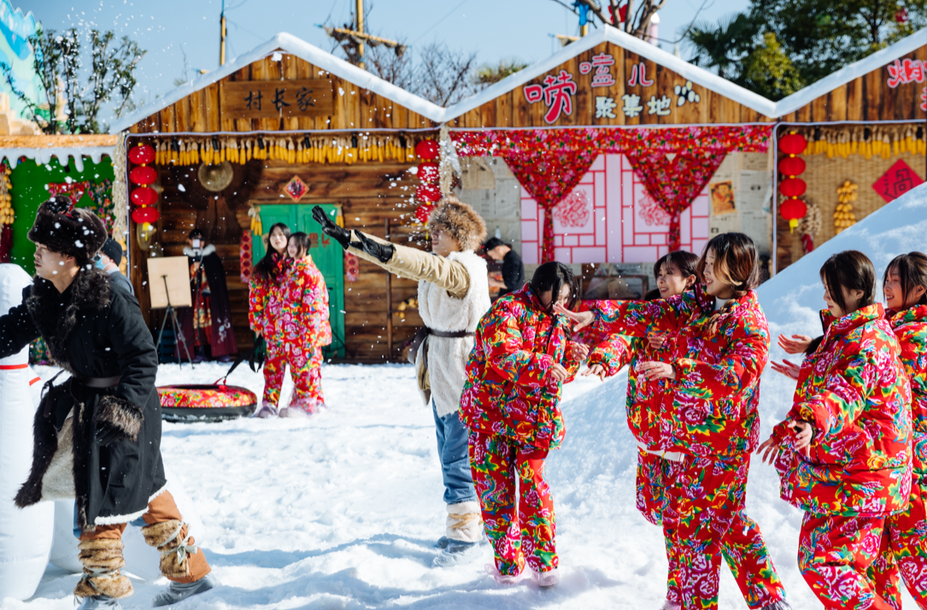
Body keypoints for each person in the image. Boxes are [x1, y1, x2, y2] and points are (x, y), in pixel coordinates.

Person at [0, 196, 216, 609]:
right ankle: (190, 574)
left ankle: (100, 593)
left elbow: (143, 357)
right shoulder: (48, 294)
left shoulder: (111, 294)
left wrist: (123, 414)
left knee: (102, 502)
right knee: (147, 491)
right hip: (91, 404)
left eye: (44, 247)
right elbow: (8, 331)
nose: (36, 253)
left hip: (126, 408)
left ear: (68, 255)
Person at [562, 233, 788, 610]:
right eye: (708, 260)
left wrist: (678, 371)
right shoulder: (698, 301)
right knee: (698, 525)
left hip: (721, 448)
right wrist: (599, 315)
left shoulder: (748, 322)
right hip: (682, 441)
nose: (708, 268)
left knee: (703, 531)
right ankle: (750, 600)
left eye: (717, 262)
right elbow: (650, 314)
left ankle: (743, 601)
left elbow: (735, 376)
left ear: (740, 270)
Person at [312, 198, 490, 567]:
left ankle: (466, 537)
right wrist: (353, 242)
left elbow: (414, 262)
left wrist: (355, 240)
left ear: (459, 236)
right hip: (442, 363)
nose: (434, 234)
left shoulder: (460, 269)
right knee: (450, 449)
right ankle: (472, 524)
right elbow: (414, 265)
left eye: (442, 229)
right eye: (433, 229)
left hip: (459, 367)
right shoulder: (446, 265)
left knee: (459, 454)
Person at [758, 250, 912, 610]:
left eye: (830, 289)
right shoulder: (850, 333)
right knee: (860, 571)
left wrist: (810, 421)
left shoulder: (867, 342)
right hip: (845, 470)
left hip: (861, 476)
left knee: (822, 562)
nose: (825, 297)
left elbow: (848, 392)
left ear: (856, 292)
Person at [460, 262, 590, 587]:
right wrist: (547, 363)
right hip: (491, 418)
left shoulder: (556, 319)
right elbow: (504, 356)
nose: (563, 302)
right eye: (558, 294)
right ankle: (508, 567)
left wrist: (570, 357)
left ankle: (544, 564)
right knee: (495, 494)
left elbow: (555, 374)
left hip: (533, 420)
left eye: (566, 296)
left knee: (534, 488)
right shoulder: (507, 309)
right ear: (542, 286)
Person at [869, 252, 927, 608]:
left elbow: (867, 378)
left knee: (915, 557)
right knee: (881, 557)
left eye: (895, 280)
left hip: (913, 465)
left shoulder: (913, 336)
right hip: (890, 462)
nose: (886, 286)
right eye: (886, 278)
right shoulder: (892, 330)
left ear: (919, 289)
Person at [265, 232, 331, 418]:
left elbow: (312, 307)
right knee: (302, 369)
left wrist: (307, 334)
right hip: (292, 334)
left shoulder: (309, 273)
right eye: (290, 245)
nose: (291, 248)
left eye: (295, 245)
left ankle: (308, 406)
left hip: (304, 334)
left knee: (306, 369)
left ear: (305, 246)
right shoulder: (292, 270)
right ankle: (312, 403)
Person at [249, 222, 292, 417]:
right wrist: (257, 325)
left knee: (301, 368)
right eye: (274, 235)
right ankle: (269, 403)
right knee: (273, 366)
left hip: (296, 327)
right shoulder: (262, 268)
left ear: (289, 238)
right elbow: (255, 298)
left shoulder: (297, 264)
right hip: (273, 326)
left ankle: (300, 402)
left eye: (281, 235)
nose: (277, 238)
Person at [177, 229, 237, 362]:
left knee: (214, 322)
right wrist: (193, 269)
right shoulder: (186, 258)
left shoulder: (212, 257)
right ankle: (198, 350)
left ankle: (220, 350)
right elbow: (181, 278)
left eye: (201, 239)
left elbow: (218, 279)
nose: (199, 242)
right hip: (193, 299)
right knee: (195, 323)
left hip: (211, 298)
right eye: (196, 239)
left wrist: (205, 271)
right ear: (190, 241)